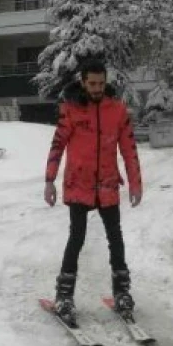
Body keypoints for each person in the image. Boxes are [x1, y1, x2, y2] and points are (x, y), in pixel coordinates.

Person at [44, 60, 143, 322]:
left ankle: (122, 293)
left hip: (108, 185)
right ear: (83, 82)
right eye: (92, 84)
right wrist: (49, 180)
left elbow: (129, 150)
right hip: (79, 184)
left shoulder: (117, 111)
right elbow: (57, 146)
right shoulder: (71, 110)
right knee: (76, 238)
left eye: (101, 83)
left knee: (116, 238)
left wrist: (135, 183)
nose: (97, 88)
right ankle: (64, 295)